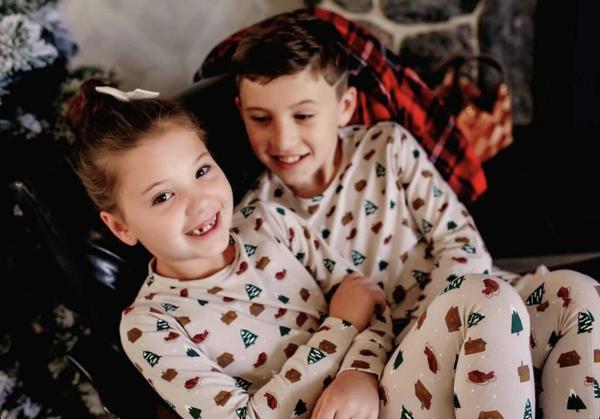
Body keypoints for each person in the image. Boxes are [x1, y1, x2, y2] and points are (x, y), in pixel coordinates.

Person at [230, 10, 599, 419]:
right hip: (393, 367)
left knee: (580, 294)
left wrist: (455, 313)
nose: (283, 140)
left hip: (478, 308)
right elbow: (312, 334)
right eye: (260, 119)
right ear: (240, 110)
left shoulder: (387, 146)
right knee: (486, 300)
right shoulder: (260, 222)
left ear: (345, 106)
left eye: (303, 116)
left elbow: (461, 242)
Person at [66, 79, 394, 418]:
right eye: (163, 196)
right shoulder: (150, 325)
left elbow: (368, 299)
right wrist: (341, 325)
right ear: (121, 227)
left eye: (202, 170)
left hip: (386, 382)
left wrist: (360, 373)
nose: (200, 202)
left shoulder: (269, 222)